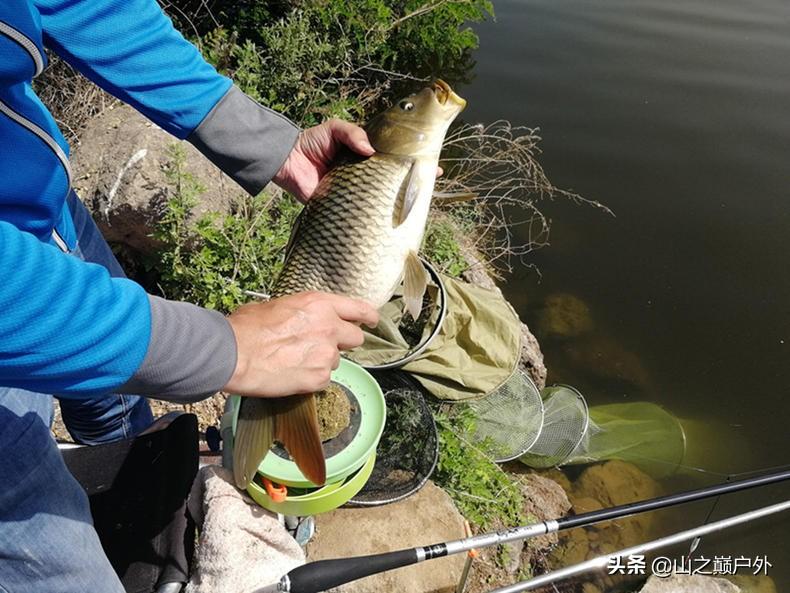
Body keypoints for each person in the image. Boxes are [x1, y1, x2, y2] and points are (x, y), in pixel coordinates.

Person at [0, 0, 380, 591]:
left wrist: (261, 141)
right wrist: (228, 349)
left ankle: (136, 519)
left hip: (40, 216)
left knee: (121, 414)